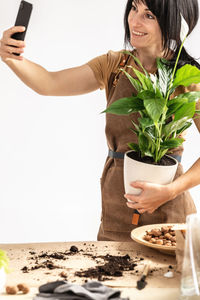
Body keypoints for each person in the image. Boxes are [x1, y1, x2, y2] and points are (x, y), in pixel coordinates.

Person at [0, 0, 200, 241]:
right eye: (134, 9)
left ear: (172, 22)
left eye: (149, 16)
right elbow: (49, 83)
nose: (134, 21)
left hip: (170, 219)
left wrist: (169, 192)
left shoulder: (188, 77)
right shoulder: (115, 65)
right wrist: (11, 58)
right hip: (117, 211)